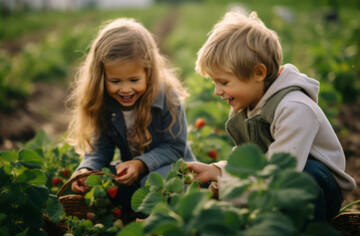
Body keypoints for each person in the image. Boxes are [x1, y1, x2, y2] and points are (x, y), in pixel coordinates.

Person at [186, 10, 356, 223]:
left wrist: (229, 189)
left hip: (316, 189)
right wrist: (216, 172)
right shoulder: (247, 106)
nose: (217, 91)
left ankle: (305, 232)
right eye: (214, 83)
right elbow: (252, 162)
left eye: (224, 82)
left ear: (258, 73)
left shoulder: (295, 108)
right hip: (272, 178)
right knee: (204, 183)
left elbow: (280, 174)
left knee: (304, 177)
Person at [66, 18, 195, 210]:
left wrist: (140, 164)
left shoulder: (168, 98)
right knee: (103, 179)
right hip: (134, 172)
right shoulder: (104, 103)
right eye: (115, 81)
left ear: (149, 73)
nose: (125, 89)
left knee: (151, 183)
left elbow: (175, 148)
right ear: (101, 77)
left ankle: (167, 209)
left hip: (174, 170)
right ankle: (129, 208)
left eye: (134, 80)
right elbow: (101, 149)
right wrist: (86, 170)